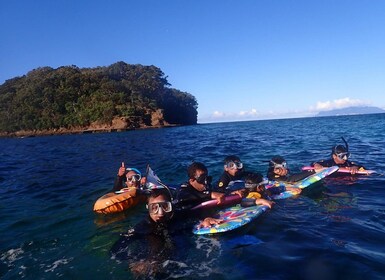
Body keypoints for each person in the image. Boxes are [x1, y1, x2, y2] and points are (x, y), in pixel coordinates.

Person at [110, 189, 221, 277]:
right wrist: (134, 263)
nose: (160, 213)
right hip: (153, 262)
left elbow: (199, 211)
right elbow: (115, 250)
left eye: (165, 206)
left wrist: (206, 218)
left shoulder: (178, 215)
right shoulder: (142, 227)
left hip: (180, 260)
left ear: (171, 206)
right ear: (148, 209)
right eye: (154, 208)